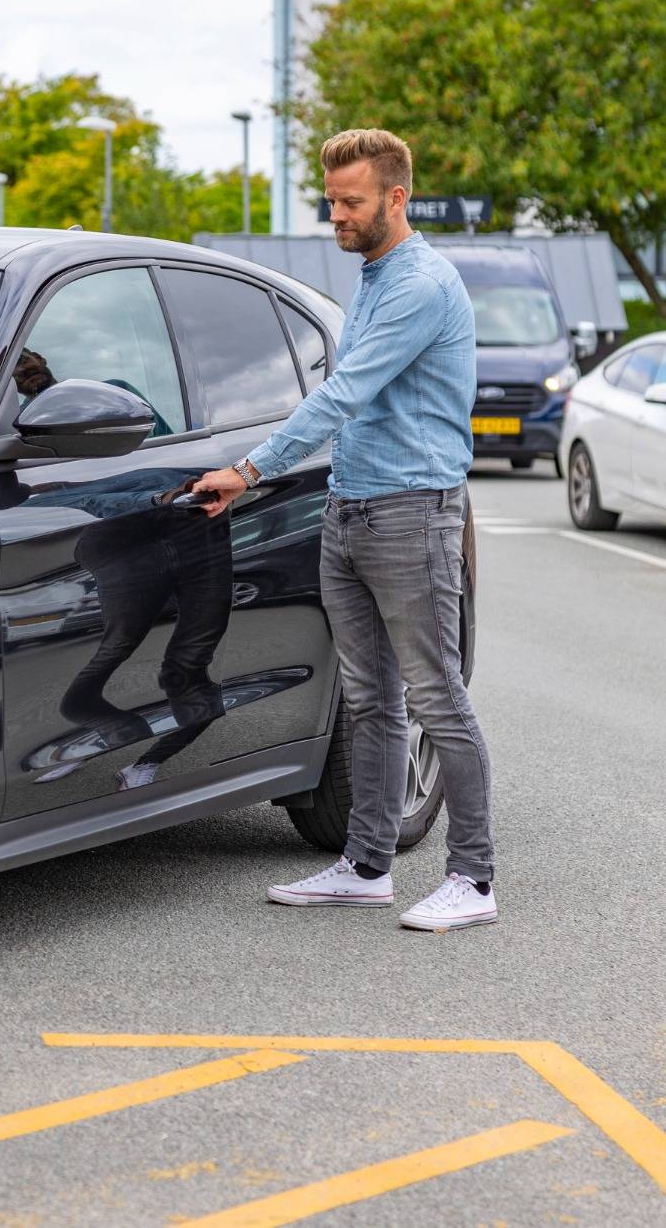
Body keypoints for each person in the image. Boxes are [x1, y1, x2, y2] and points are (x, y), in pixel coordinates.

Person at [190, 128, 497, 932]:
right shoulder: (373, 276)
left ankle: (474, 877)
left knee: (438, 696)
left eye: (351, 202)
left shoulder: (421, 285)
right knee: (369, 696)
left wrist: (250, 469)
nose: (337, 216)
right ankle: (367, 865)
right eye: (331, 201)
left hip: (410, 512)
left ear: (397, 198)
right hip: (351, 506)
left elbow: (344, 394)